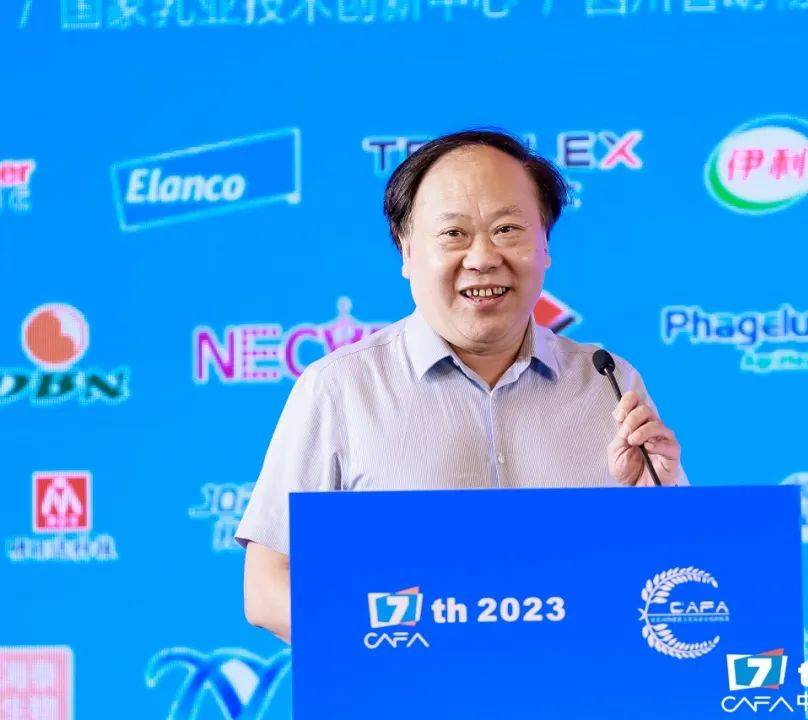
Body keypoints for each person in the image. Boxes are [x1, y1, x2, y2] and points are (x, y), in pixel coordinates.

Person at [236, 129, 687, 643]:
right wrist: (390, 647)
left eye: (507, 229)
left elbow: (679, 578)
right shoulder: (340, 389)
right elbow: (267, 588)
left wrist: (659, 504)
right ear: (407, 251)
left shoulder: (607, 382)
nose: (482, 258)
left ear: (545, 245)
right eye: (454, 233)